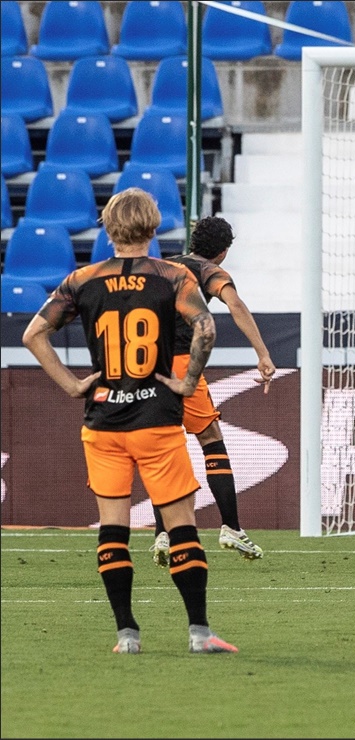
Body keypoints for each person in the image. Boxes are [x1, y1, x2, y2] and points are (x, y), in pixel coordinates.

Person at [21, 188, 237, 653]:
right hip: (156, 418)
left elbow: (33, 333)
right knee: (181, 528)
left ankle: (127, 635)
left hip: (102, 423)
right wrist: (187, 381)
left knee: (113, 529)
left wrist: (71, 384)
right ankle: (199, 633)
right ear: (154, 226)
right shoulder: (172, 276)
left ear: (108, 227)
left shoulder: (82, 279)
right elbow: (207, 327)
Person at [149, 215, 276, 566]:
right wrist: (263, 354)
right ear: (223, 252)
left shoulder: (162, 266)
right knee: (210, 440)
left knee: (164, 446)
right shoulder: (209, 271)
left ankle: (162, 533)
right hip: (181, 365)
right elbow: (235, 305)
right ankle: (231, 527)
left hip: (146, 367)